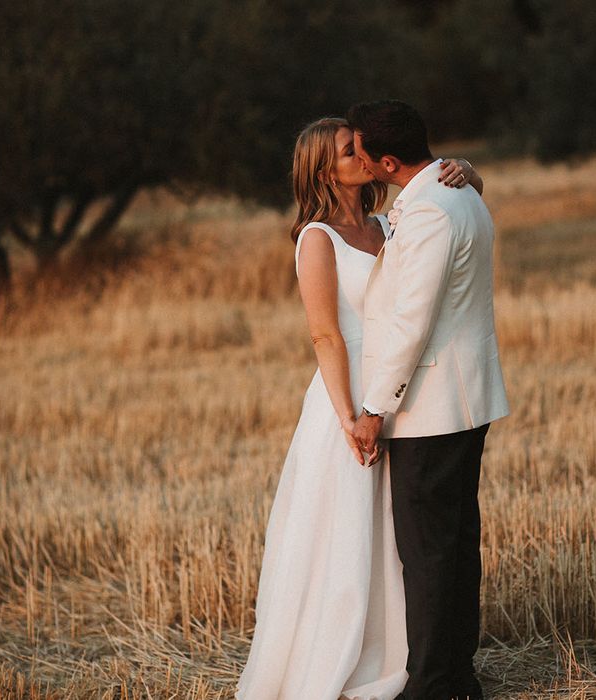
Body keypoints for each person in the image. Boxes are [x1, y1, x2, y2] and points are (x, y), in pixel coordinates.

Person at [234, 115, 484, 700]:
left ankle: (407, 659)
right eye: (351, 151)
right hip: (348, 403)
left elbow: (443, 236)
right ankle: (345, 658)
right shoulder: (316, 238)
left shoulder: (387, 221)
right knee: (348, 535)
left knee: (404, 536)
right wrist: (349, 417)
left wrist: (468, 170)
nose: (365, 157)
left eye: (365, 148)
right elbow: (326, 336)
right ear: (325, 169)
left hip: (402, 398)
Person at [349, 100, 510, 700]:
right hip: (460, 401)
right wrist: (467, 167)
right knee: (452, 543)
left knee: (429, 553)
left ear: (388, 161)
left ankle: (433, 684)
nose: (359, 161)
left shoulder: (431, 212)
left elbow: (411, 323)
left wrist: (373, 409)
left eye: (362, 153)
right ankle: (456, 675)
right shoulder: (453, 190)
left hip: (433, 406)